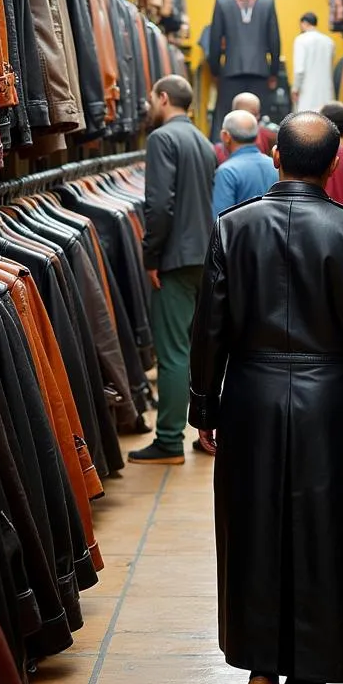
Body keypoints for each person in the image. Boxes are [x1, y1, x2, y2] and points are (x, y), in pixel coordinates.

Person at [188, 112, 343, 684]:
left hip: (251, 397)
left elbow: (211, 326)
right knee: (323, 539)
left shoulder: (233, 229)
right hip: (331, 404)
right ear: (335, 164)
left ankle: (260, 664)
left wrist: (205, 407)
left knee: (253, 527)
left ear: (273, 155)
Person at [130, 75, 216, 466]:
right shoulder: (201, 140)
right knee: (196, 348)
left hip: (175, 258)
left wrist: (151, 257)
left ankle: (168, 439)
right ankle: (202, 428)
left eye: (151, 99)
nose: (149, 105)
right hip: (203, 254)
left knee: (173, 352)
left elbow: (159, 205)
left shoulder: (162, 139)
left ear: (163, 98)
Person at [207, 0, 282, 142]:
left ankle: (221, 160)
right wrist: (273, 72)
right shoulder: (267, 1)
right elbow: (274, 39)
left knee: (225, 119)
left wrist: (216, 71)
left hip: (231, 71)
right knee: (259, 120)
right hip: (260, 71)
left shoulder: (222, 1)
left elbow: (214, 40)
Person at [212, 110, 279, 218]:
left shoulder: (227, 172)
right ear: (257, 135)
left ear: (225, 136)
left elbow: (220, 223)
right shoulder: (274, 166)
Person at [212, 92, 277, 166]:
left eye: (255, 115)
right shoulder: (217, 151)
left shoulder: (268, 136)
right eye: (253, 114)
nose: (255, 118)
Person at [292, 13, 335, 113]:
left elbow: (300, 69)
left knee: (306, 121)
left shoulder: (301, 40)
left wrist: (295, 88)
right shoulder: (329, 42)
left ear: (304, 23)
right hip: (326, 92)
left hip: (307, 92)